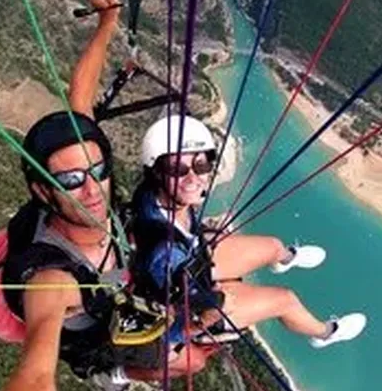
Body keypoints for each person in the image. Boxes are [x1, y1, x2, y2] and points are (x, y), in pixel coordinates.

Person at [0, 0, 213, 391]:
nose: (91, 188)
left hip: (126, 282)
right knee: (194, 358)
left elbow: (80, 98)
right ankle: (119, 375)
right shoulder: (49, 276)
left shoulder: (89, 179)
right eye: (72, 179)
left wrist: (107, 22)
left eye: (99, 171)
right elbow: (36, 370)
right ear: (41, 192)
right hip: (101, 339)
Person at [130, 113, 368, 352]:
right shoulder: (163, 254)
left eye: (201, 165)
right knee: (285, 300)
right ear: (157, 173)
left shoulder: (155, 198)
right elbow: (174, 321)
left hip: (192, 264)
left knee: (274, 246)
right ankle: (325, 333)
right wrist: (209, 314)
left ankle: (284, 259)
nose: (193, 178)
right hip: (195, 308)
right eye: (177, 170)